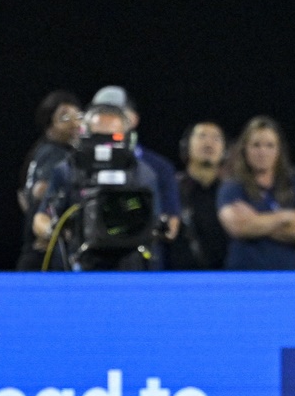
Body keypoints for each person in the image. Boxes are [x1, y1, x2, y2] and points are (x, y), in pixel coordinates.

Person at [31, 104, 163, 271]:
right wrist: (54, 231)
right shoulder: (67, 170)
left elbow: (154, 224)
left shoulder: (142, 174)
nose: (104, 146)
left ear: (127, 137)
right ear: (83, 135)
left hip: (128, 267)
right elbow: (41, 219)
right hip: (78, 264)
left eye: (112, 138)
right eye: (96, 137)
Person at [217, 116, 295, 270]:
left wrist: (255, 221)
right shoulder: (232, 187)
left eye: (270, 146)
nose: (262, 152)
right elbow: (238, 227)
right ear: (245, 149)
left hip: (290, 279)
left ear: (279, 151)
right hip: (244, 278)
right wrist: (286, 217)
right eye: (256, 145)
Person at [89, 86, 182, 251]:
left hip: (139, 266)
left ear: (132, 119)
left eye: (116, 113)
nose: (107, 121)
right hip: (87, 265)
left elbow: (171, 228)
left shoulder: (155, 170)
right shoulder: (74, 166)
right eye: (101, 114)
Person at [15, 91, 82, 272]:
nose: (75, 123)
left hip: (32, 251)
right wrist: (51, 227)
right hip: (46, 254)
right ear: (49, 123)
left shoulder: (40, 150)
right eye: (65, 117)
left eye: (79, 116)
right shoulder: (57, 155)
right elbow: (40, 191)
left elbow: (22, 197)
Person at [166, 121, 231, 270]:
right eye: (201, 136)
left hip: (227, 279)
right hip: (179, 279)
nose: (209, 143)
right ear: (186, 146)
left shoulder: (233, 192)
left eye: (216, 138)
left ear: (225, 150)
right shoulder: (172, 189)